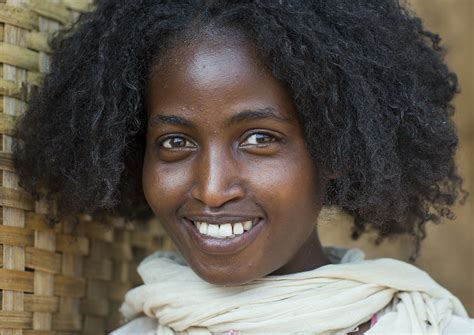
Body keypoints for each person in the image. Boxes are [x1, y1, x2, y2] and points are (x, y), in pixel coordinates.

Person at [12, 1, 473, 334]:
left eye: (259, 138)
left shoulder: (428, 326)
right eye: (175, 142)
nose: (212, 190)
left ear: (335, 150)